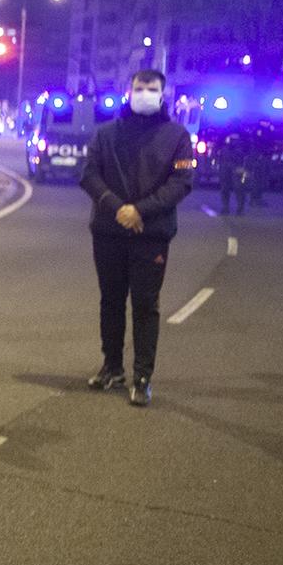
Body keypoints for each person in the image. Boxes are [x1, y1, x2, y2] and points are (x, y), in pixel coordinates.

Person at [78, 68, 194, 408]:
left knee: (145, 304)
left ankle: (142, 377)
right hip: (109, 231)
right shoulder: (106, 134)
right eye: (139, 88)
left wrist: (140, 211)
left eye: (151, 89)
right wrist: (119, 209)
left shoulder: (177, 136)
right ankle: (112, 367)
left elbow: (181, 183)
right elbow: (89, 176)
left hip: (151, 235)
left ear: (162, 94)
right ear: (129, 92)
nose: (144, 94)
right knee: (111, 301)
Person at [214, 131, 250, 217]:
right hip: (226, 164)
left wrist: (245, 167)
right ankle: (226, 207)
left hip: (237, 166)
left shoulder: (243, 135)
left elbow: (246, 152)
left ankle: (240, 209)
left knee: (239, 187)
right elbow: (218, 148)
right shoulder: (224, 134)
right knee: (225, 187)